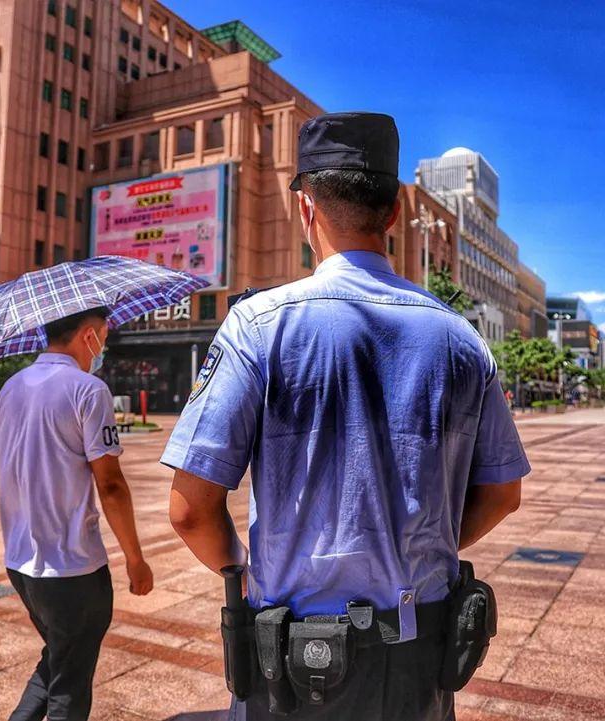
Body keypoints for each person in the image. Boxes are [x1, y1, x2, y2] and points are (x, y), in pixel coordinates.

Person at [161, 112, 528, 721]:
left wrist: (247, 572)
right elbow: (503, 494)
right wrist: (420, 544)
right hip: (420, 661)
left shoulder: (259, 326)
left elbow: (189, 509)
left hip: (295, 667)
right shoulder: (461, 338)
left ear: (305, 207)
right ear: (393, 213)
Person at [0, 307, 154, 721]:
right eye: (104, 336)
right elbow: (111, 484)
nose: (104, 346)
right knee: (69, 685)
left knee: (58, 662)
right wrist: (135, 559)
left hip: (21, 563)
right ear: (88, 335)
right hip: (73, 568)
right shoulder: (88, 390)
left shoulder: (10, 388)